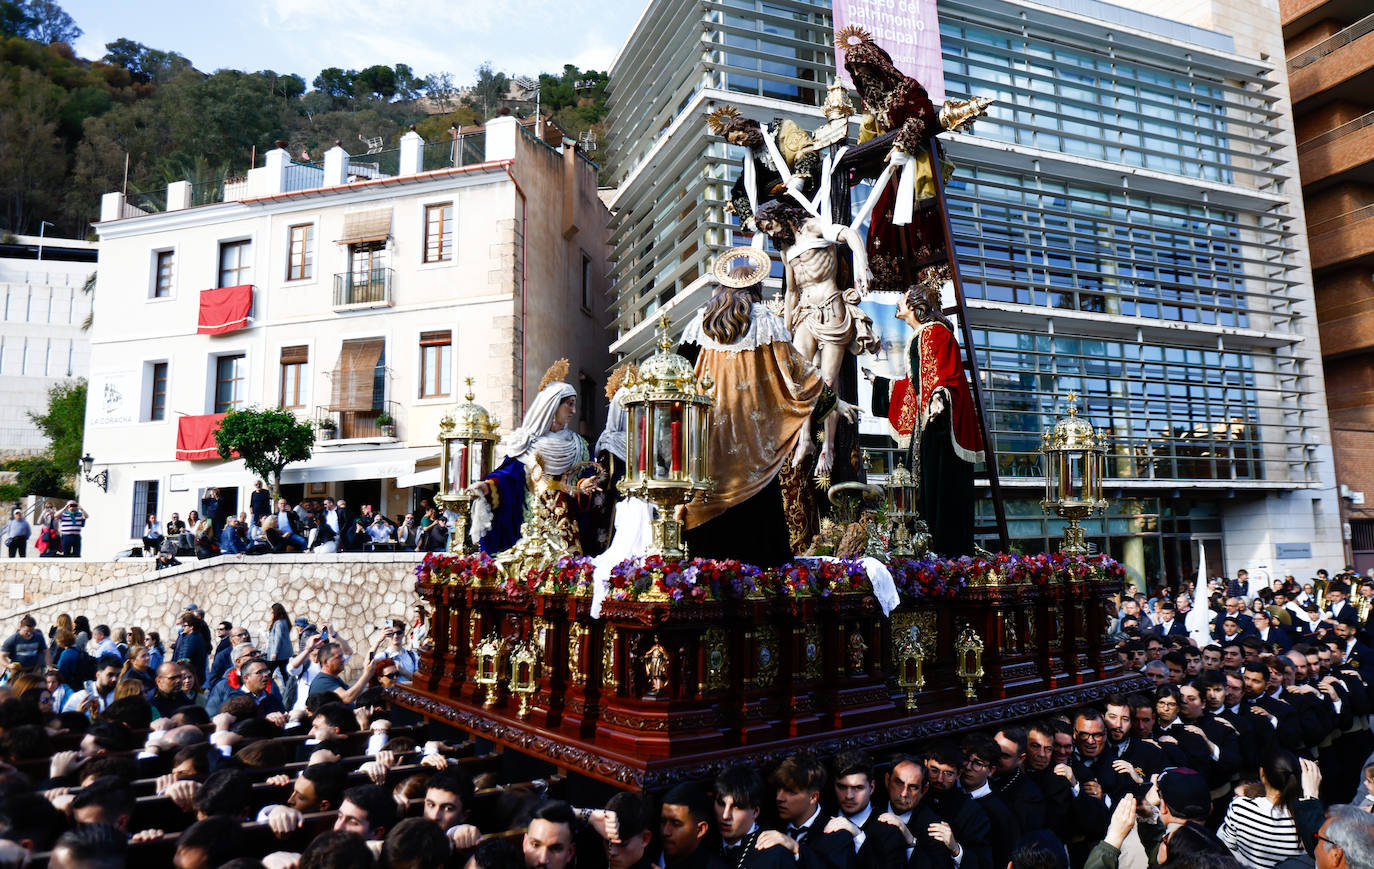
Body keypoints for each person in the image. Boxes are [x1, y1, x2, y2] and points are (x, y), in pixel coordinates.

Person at [678, 247, 852, 564]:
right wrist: (834, 402)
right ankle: (760, 585)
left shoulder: (698, 324)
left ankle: (701, 577)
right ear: (757, 288)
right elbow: (799, 373)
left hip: (708, 438)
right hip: (752, 440)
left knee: (706, 499)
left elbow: (678, 375)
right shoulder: (764, 321)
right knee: (757, 520)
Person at [867, 282, 984, 556]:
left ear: (916, 305)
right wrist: (879, 384)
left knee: (936, 491)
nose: (899, 301)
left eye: (904, 296)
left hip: (937, 426)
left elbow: (946, 375)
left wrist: (939, 399)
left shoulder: (934, 333)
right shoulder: (922, 335)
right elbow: (914, 385)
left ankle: (940, 554)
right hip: (927, 425)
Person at [470, 358, 600, 557]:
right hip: (531, 521)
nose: (573, 411)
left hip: (566, 522)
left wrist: (584, 485)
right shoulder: (527, 444)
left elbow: (584, 474)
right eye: (569, 404)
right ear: (552, 406)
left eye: (574, 405)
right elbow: (508, 477)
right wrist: (486, 487)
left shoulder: (578, 444)